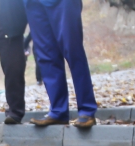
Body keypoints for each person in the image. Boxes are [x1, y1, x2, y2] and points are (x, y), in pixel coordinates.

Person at [25, 0, 98, 128]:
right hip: (33, 3)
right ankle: (58, 111)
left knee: (73, 50)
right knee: (46, 56)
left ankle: (87, 110)